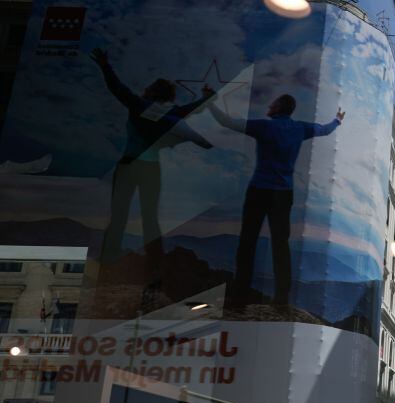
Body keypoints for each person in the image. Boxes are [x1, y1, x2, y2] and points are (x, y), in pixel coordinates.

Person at [204, 88, 344, 304]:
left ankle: (239, 294)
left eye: (273, 104)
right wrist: (337, 120)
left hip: (259, 189)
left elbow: (227, 122)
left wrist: (210, 102)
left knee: (247, 242)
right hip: (284, 193)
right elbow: (325, 130)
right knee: (280, 244)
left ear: (279, 107)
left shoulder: (263, 127)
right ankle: (281, 298)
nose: (269, 106)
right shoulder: (300, 129)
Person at [91, 48, 214, 273]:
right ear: (169, 97)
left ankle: (108, 258)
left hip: (128, 164)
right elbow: (192, 108)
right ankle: (154, 261)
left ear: (149, 91)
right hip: (150, 167)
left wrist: (104, 64)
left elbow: (117, 88)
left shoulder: (139, 106)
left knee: (119, 214)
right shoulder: (172, 115)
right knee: (150, 216)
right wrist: (206, 98)